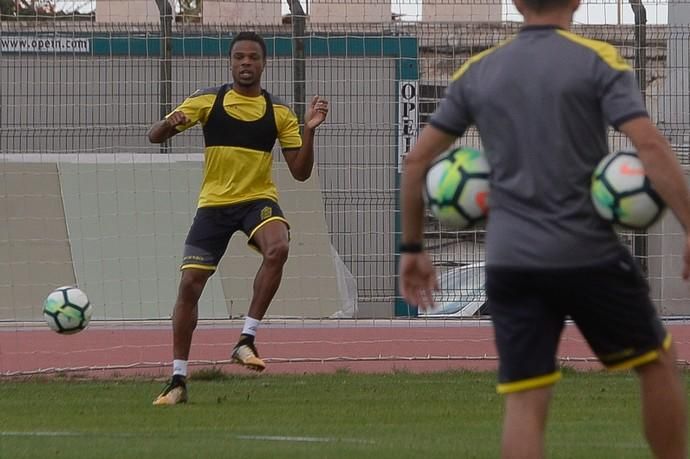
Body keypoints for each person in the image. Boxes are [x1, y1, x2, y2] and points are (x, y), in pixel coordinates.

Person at [398, 0, 689, 456]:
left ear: (515, 3)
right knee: (658, 362)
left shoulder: (479, 71)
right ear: (576, 1)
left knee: (526, 400)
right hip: (588, 252)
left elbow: (416, 160)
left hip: (511, 261)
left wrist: (413, 247)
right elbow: (649, 145)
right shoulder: (598, 60)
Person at [147, 31, 329, 405]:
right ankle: (178, 379)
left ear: (264, 64)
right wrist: (170, 123)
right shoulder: (206, 100)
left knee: (278, 247)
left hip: (256, 200)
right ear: (230, 63)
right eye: (239, 57)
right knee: (189, 287)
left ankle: (246, 339)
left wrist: (309, 131)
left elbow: (300, 171)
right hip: (214, 205)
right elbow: (154, 135)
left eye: (253, 58)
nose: (246, 63)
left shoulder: (278, 112)